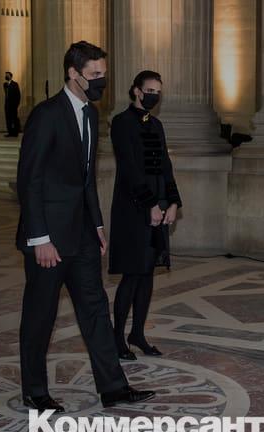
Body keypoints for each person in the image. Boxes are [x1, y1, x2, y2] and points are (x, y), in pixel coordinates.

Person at [15, 41, 155, 412]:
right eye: (94, 75)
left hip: (82, 235)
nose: (100, 81)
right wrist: (40, 238)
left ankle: (114, 387)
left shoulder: (91, 115)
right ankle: (34, 390)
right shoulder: (46, 115)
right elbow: (29, 180)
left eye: (103, 74)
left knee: (95, 309)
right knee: (40, 315)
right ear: (73, 74)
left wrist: (97, 224)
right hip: (48, 238)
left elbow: (86, 178)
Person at [109, 70, 181, 360]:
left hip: (158, 205)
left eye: (158, 91)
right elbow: (129, 168)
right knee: (133, 272)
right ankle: (117, 338)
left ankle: (137, 333)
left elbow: (165, 165)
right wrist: (150, 204)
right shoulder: (121, 123)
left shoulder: (157, 125)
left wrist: (173, 202)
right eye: (150, 90)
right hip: (133, 207)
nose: (154, 95)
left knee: (148, 271)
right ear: (137, 91)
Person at [4, 71, 21, 137]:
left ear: (10, 76)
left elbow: (18, 95)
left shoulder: (15, 84)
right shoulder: (5, 84)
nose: (6, 76)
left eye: (7, 75)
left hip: (13, 105)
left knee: (14, 119)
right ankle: (10, 132)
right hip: (7, 105)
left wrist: (16, 104)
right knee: (8, 119)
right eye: (5, 75)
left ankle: (15, 132)